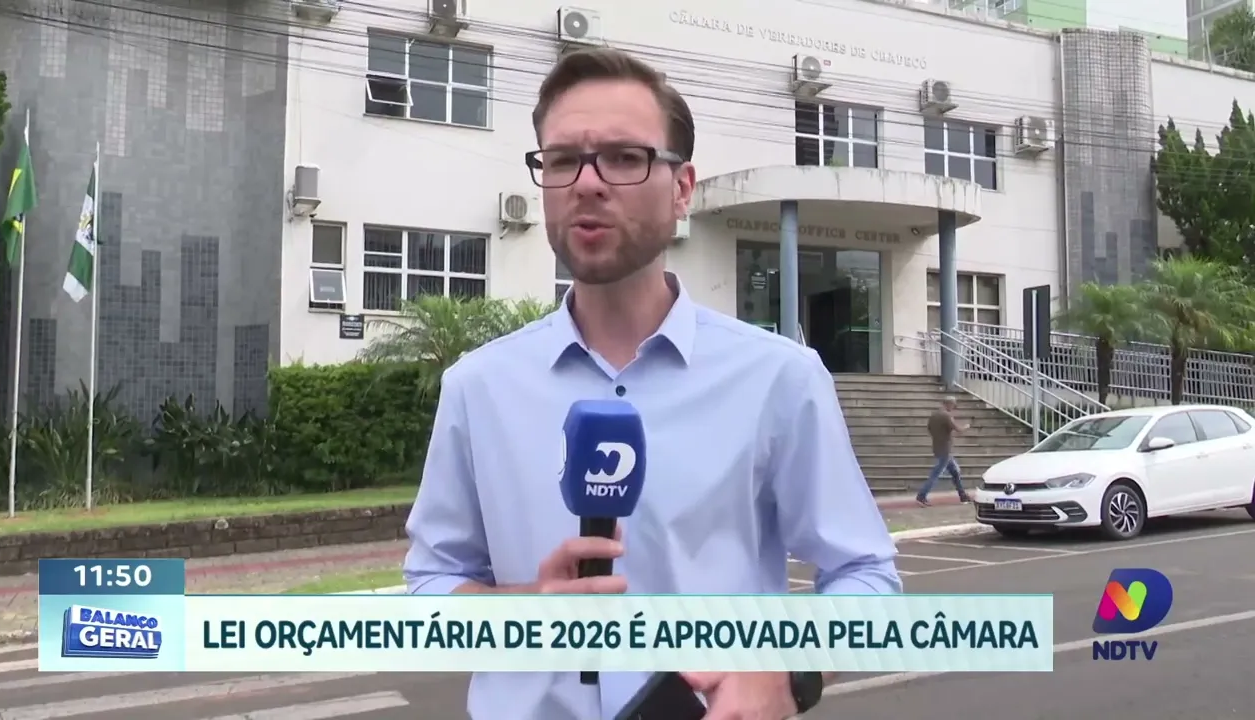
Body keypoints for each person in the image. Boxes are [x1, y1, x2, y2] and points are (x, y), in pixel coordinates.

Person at [402, 47, 901, 720]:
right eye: (562, 160)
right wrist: (521, 610)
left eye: (624, 157)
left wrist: (788, 671)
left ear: (682, 188)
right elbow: (433, 587)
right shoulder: (478, 387)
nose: (587, 183)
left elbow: (867, 577)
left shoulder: (778, 378)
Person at [916, 396, 972, 506]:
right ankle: (921, 496)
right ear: (949, 404)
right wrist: (966, 426)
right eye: (953, 405)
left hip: (937, 447)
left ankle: (963, 496)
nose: (954, 407)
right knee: (936, 474)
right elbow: (958, 429)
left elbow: (929, 428)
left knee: (955, 472)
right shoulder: (946, 416)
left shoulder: (934, 415)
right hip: (945, 449)